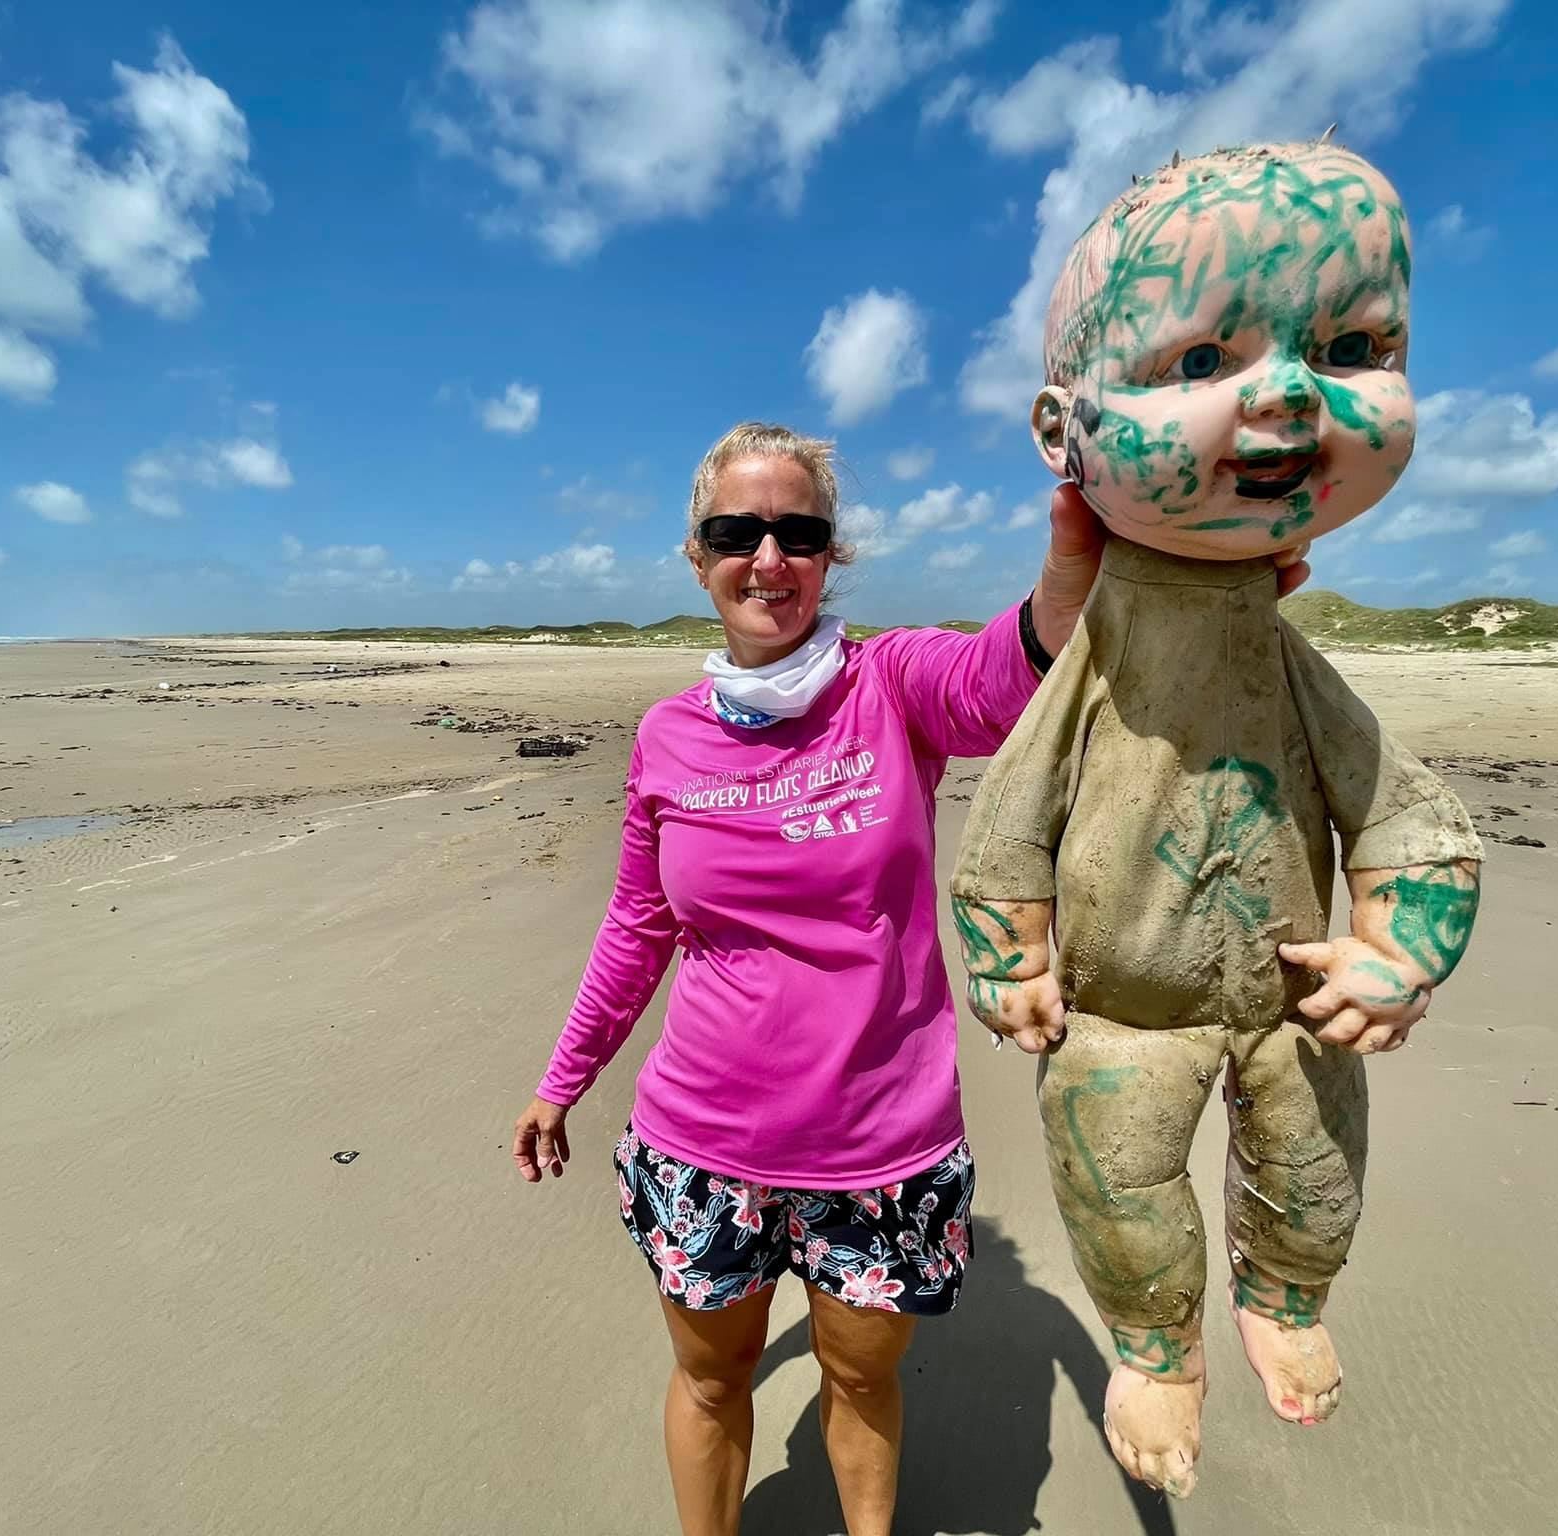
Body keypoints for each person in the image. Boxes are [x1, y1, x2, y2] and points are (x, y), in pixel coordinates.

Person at [511, 421, 1308, 1536]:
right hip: (698, 1140)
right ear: (697, 556)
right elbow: (638, 926)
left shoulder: (890, 686)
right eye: (737, 532)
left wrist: (1079, 548)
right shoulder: (667, 737)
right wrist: (562, 1081)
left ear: (833, 554)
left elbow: (1020, 664)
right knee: (707, 1381)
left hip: (877, 1148)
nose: (769, 557)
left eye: (799, 531)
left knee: (859, 1381)